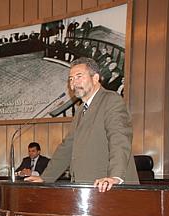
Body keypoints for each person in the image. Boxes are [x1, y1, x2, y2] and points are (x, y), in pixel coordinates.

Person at [25, 57, 139, 192]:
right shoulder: (81, 110)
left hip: (109, 188)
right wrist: (46, 178)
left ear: (95, 78)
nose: (73, 83)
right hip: (86, 189)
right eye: (71, 79)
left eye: (79, 77)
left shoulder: (111, 100)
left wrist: (115, 176)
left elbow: (119, 139)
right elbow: (67, 146)